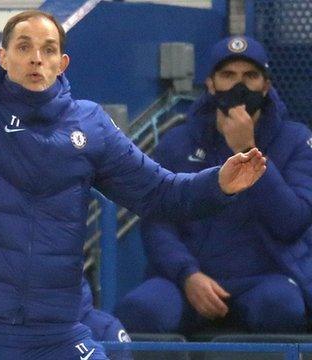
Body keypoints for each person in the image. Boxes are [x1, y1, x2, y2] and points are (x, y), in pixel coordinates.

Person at [0, 7, 267, 358]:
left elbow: (160, 194)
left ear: (62, 63)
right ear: (3, 58)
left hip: (55, 330)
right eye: (23, 47)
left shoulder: (90, 125)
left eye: (48, 49)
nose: (36, 59)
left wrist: (219, 183)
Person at [114, 35, 312, 335]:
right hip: (188, 280)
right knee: (141, 310)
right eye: (228, 75)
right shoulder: (178, 143)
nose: (239, 86)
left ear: (266, 86)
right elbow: (157, 224)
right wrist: (188, 275)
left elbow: (292, 222)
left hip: (265, 277)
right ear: (210, 84)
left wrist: (247, 149)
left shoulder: (296, 140)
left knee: (282, 306)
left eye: (251, 76)